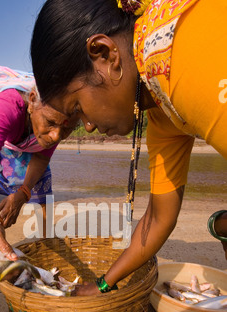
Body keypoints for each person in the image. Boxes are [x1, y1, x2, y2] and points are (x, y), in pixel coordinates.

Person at [30, 0, 227, 295]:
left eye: (79, 107)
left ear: (106, 55)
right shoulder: (160, 106)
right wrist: (103, 284)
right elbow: (158, 218)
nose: (89, 126)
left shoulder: (182, 56)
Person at [0, 65, 77, 269]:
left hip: (19, 121)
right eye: (51, 123)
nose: (56, 136)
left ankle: (46, 240)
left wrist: (23, 192)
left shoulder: (60, 114)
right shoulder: (6, 108)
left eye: (67, 128)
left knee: (38, 176)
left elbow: (41, 159)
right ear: (32, 102)